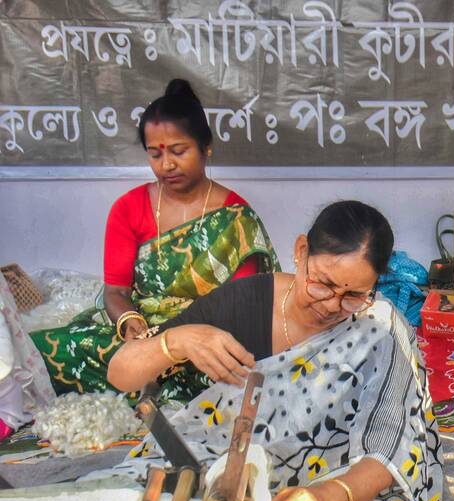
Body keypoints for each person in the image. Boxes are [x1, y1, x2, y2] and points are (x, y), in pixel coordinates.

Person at [105, 201, 443, 501]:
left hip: (332, 478)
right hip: (227, 461)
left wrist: (325, 498)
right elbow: (121, 374)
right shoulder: (246, 299)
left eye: (352, 296)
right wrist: (177, 341)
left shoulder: (378, 328)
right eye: (322, 283)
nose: (330, 305)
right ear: (300, 252)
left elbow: (392, 441)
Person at [30, 79, 279, 400]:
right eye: (155, 154)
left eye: (179, 151)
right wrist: (131, 322)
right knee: (43, 353)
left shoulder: (236, 219)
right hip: (142, 334)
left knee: (225, 373)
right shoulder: (128, 208)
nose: (167, 164)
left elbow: (242, 304)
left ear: (206, 148)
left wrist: (182, 338)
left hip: (208, 336)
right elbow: (116, 291)